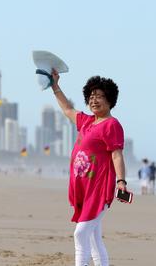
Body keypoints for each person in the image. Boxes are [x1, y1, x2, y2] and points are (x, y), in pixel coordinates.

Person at [50, 72, 127, 266]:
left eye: (99, 96)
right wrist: (55, 85)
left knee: (81, 233)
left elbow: (116, 155)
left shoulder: (112, 125)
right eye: (91, 97)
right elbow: (67, 109)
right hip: (83, 188)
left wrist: (121, 181)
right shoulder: (86, 121)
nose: (94, 100)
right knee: (93, 237)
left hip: (99, 188)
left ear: (110, 99)